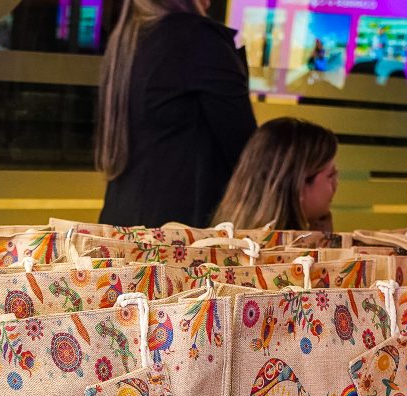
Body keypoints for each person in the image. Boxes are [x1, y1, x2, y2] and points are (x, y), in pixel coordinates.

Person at [96, 0, 256, 228]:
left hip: (121, 223)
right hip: (179, 231)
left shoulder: (129, 38)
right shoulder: (196, 38)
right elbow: (246, 152)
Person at [210, 117, 339, 232]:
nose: (336, 184)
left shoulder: (223, 241)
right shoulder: (285, 250)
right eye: (331, 175)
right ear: (299, 183)